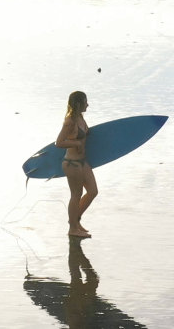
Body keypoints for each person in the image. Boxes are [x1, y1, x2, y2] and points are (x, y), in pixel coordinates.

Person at [56, 90, 97, 238]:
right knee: (76, 194)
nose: (88, 104)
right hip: (72, 163)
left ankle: (75, 220)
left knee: (93, 191)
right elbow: (59, 142)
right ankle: (73, 229)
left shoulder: (80, 117)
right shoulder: (70, 121)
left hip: (82, 161)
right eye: (86, 101)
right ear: (79, 103)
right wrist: (77, 142)